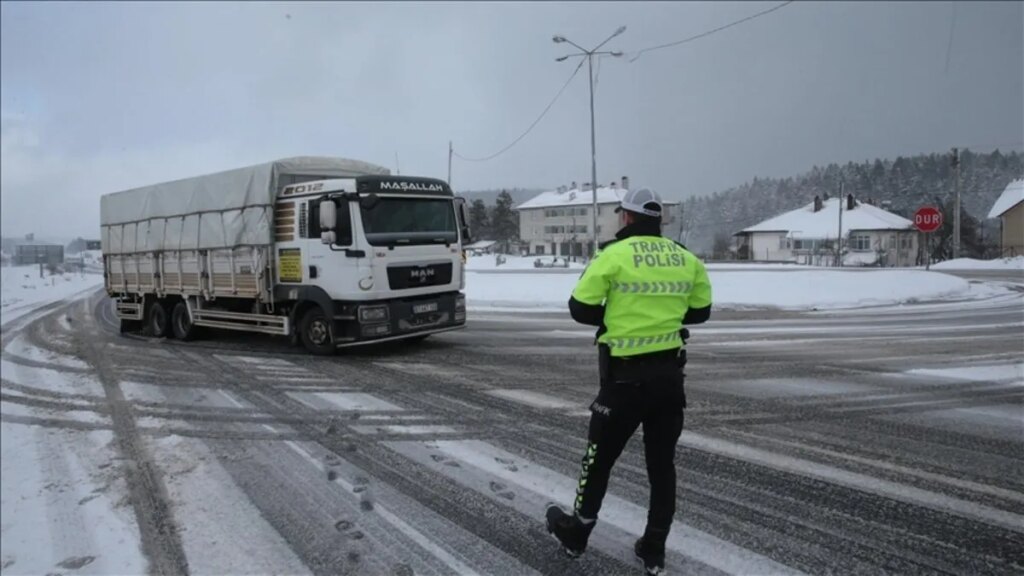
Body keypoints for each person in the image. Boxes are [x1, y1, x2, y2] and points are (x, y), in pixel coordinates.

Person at [546, 188, 712, 575]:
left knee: (598, 460)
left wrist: (614, 318)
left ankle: (577, 534)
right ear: (659, 220)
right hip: (669, 381)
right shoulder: (686, 258)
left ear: (627, 217)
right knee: (661, 466)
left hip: (623, 382)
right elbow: (701, 312)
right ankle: (653, 548)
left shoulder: (613, 255)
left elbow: (580, 308)